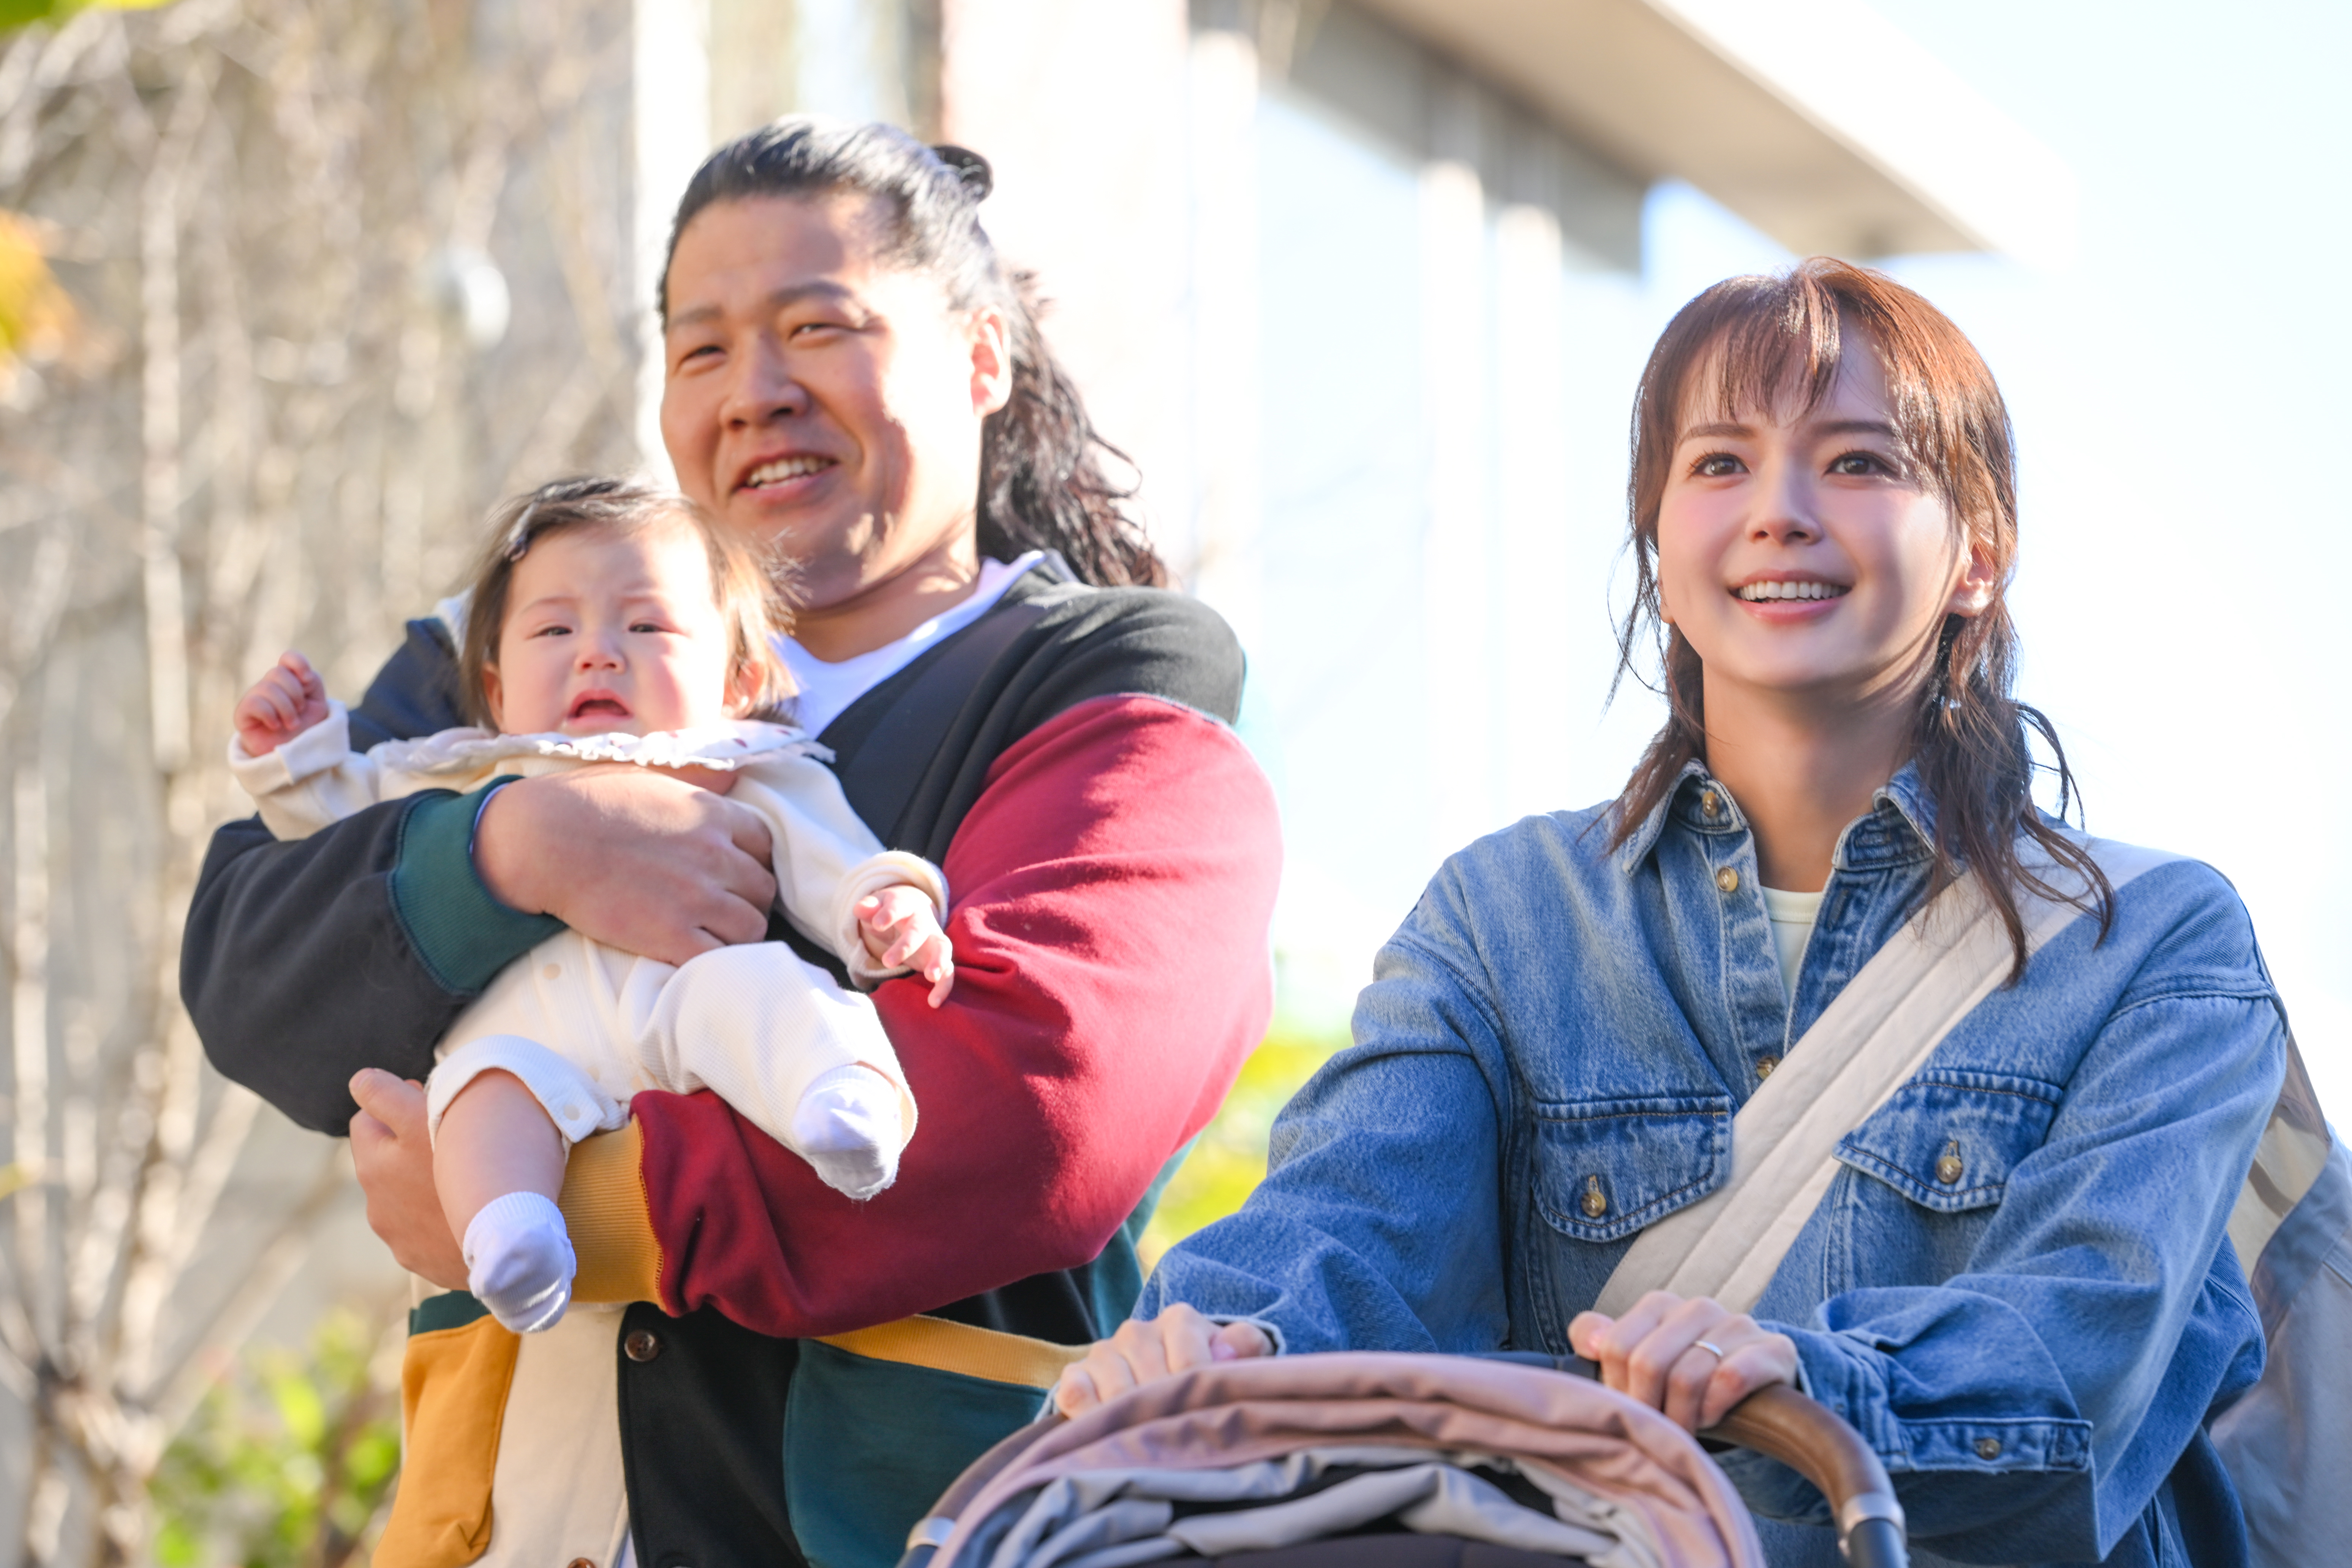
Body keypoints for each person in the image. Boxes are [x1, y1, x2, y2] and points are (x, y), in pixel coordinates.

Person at [1058, 260, 2285, 1568]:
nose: (1778, 513)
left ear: (1977, 554)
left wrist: (1812, 1381)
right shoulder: (1506, 916)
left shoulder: (2151, 940)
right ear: (1656, 537)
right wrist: (1231, 1343)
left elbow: (2081, 1355)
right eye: (1717, 464)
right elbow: (1356, 1215)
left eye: (1859, 461)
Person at [182, 120, 1282, 1568]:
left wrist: (562, 1206)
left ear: (981, 358)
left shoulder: (1116, 670)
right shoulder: (515, 645)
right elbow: (252, 965)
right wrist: (516, 848)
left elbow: (1036, 1106)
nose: (755, 394)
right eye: (700, 351)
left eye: (818, 328)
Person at [230, 479, 953, 1334]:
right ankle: (515, 1241)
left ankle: (842, 1104)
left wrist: (888, 905)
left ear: (739, 677)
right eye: (553, 629)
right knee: (477, 1092)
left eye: (646, 626)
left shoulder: (744, 766)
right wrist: (294, 751)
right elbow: (339, 818)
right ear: (496, 688)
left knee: (775, 992)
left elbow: (834, 857)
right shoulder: (465, 768)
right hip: (526, 1044)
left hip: (685, 1011)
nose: (598, 653)